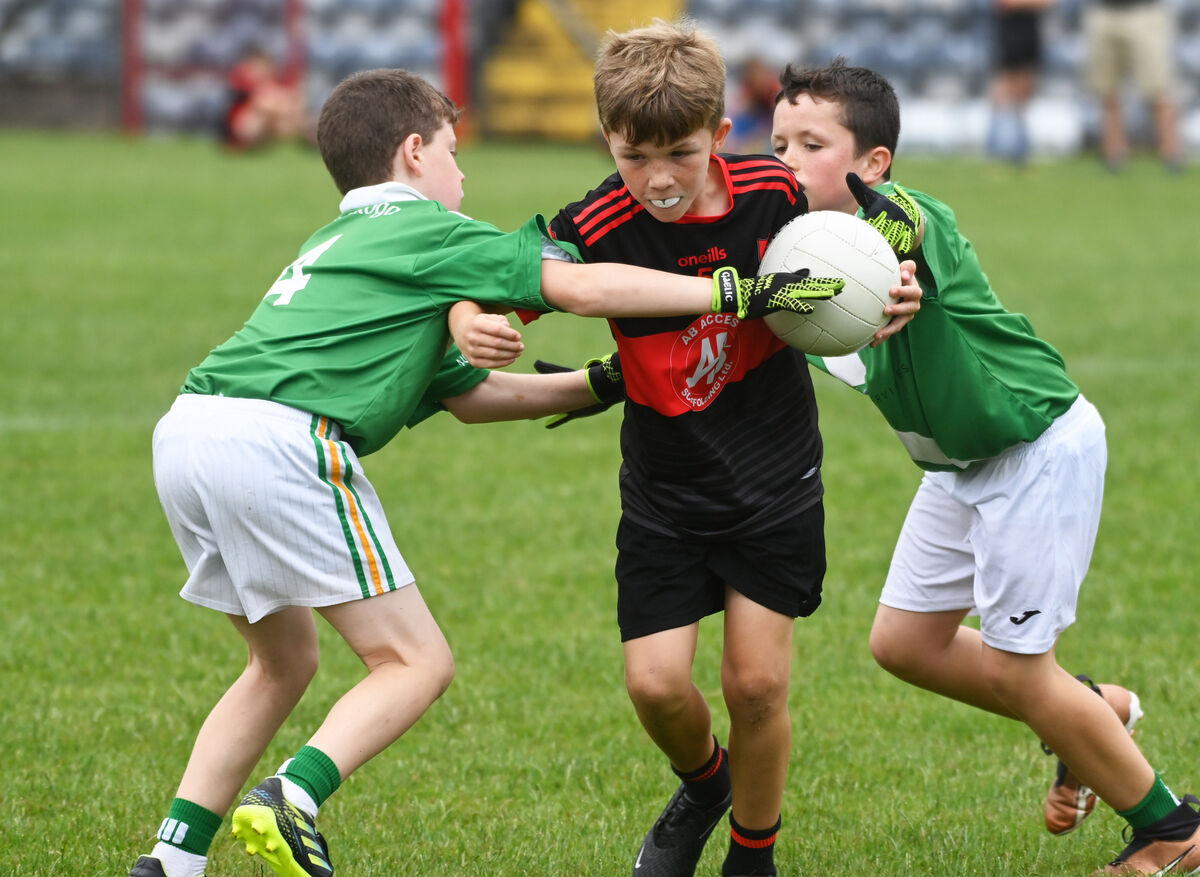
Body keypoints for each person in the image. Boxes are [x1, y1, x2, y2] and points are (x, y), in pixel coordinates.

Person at [126, 67, 830, 877]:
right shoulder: (430, 228)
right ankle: (294, 796)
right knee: (415, 662)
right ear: (416, 152)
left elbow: (474, 394)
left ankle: (171, 858)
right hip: (281, 441)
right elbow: (583, 284)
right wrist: (730, 290)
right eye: (456, 153)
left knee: (280, 663)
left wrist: (600, 382)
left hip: (190, 430)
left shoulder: (335, 242)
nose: (466, 174)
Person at [449, 21, 922, 877]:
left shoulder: (775, 192)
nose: (659, 179)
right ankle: (705, 784)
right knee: (658, 687)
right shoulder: (594, 219)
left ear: (720, 136)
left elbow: (868, 245)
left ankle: (753, 853)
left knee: (756, 685)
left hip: (775, 475)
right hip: (667, 486)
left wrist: (898, 277)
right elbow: (495, 288)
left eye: (680, 152)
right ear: (608, 141)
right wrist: (470, 324)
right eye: (636, 157)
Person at [771, 58, 1200, 875]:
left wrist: (897, 260)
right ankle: (1090, 709)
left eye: (812, 143)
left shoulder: (910, 222)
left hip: (1034, 449)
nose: (787, 156)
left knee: (1015, 667)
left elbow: (909, 225)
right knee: (905, 642)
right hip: (958, 468)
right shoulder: (792, 254)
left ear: (872, 164)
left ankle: (1172, 826)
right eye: (779, 138)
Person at [1082, 0, 1184, 172]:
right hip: (1104, 11)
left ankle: (1172, 155)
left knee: (1159, 90)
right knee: (1107, 91)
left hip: (1144, 12)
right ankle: (1114, 156)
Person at [985, 0, 1054, 166]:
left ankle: (1020, 150)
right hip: (1010, 31)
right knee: (1004, 89)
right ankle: (996, 148)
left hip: (1030, 30)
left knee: (1025, 91)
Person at [222, 46, 310, 150]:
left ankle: (305, 138)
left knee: (292, 112)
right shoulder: (241, 79)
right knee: (265, 110)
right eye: (257, 65)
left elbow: (296, 99)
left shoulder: (274, 81)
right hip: (242, 126)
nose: (261, 69)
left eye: (263, 65)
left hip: (273, 123)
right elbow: (261, 103)